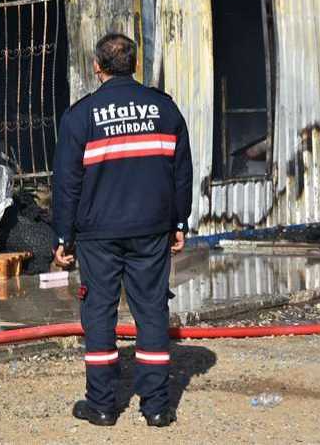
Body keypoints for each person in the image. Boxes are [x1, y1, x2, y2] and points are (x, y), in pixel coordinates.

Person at [51, 32, 192, 428]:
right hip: (151, 230)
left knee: (99, 312)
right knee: (152, 311)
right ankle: (157, 408)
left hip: (98, 234)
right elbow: (181, 172)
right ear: (135, 64)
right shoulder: (164, 109)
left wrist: (63, 236)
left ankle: (101, 405)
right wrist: (179, 221)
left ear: (97, 67)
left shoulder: (81, 116)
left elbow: (67, 183)